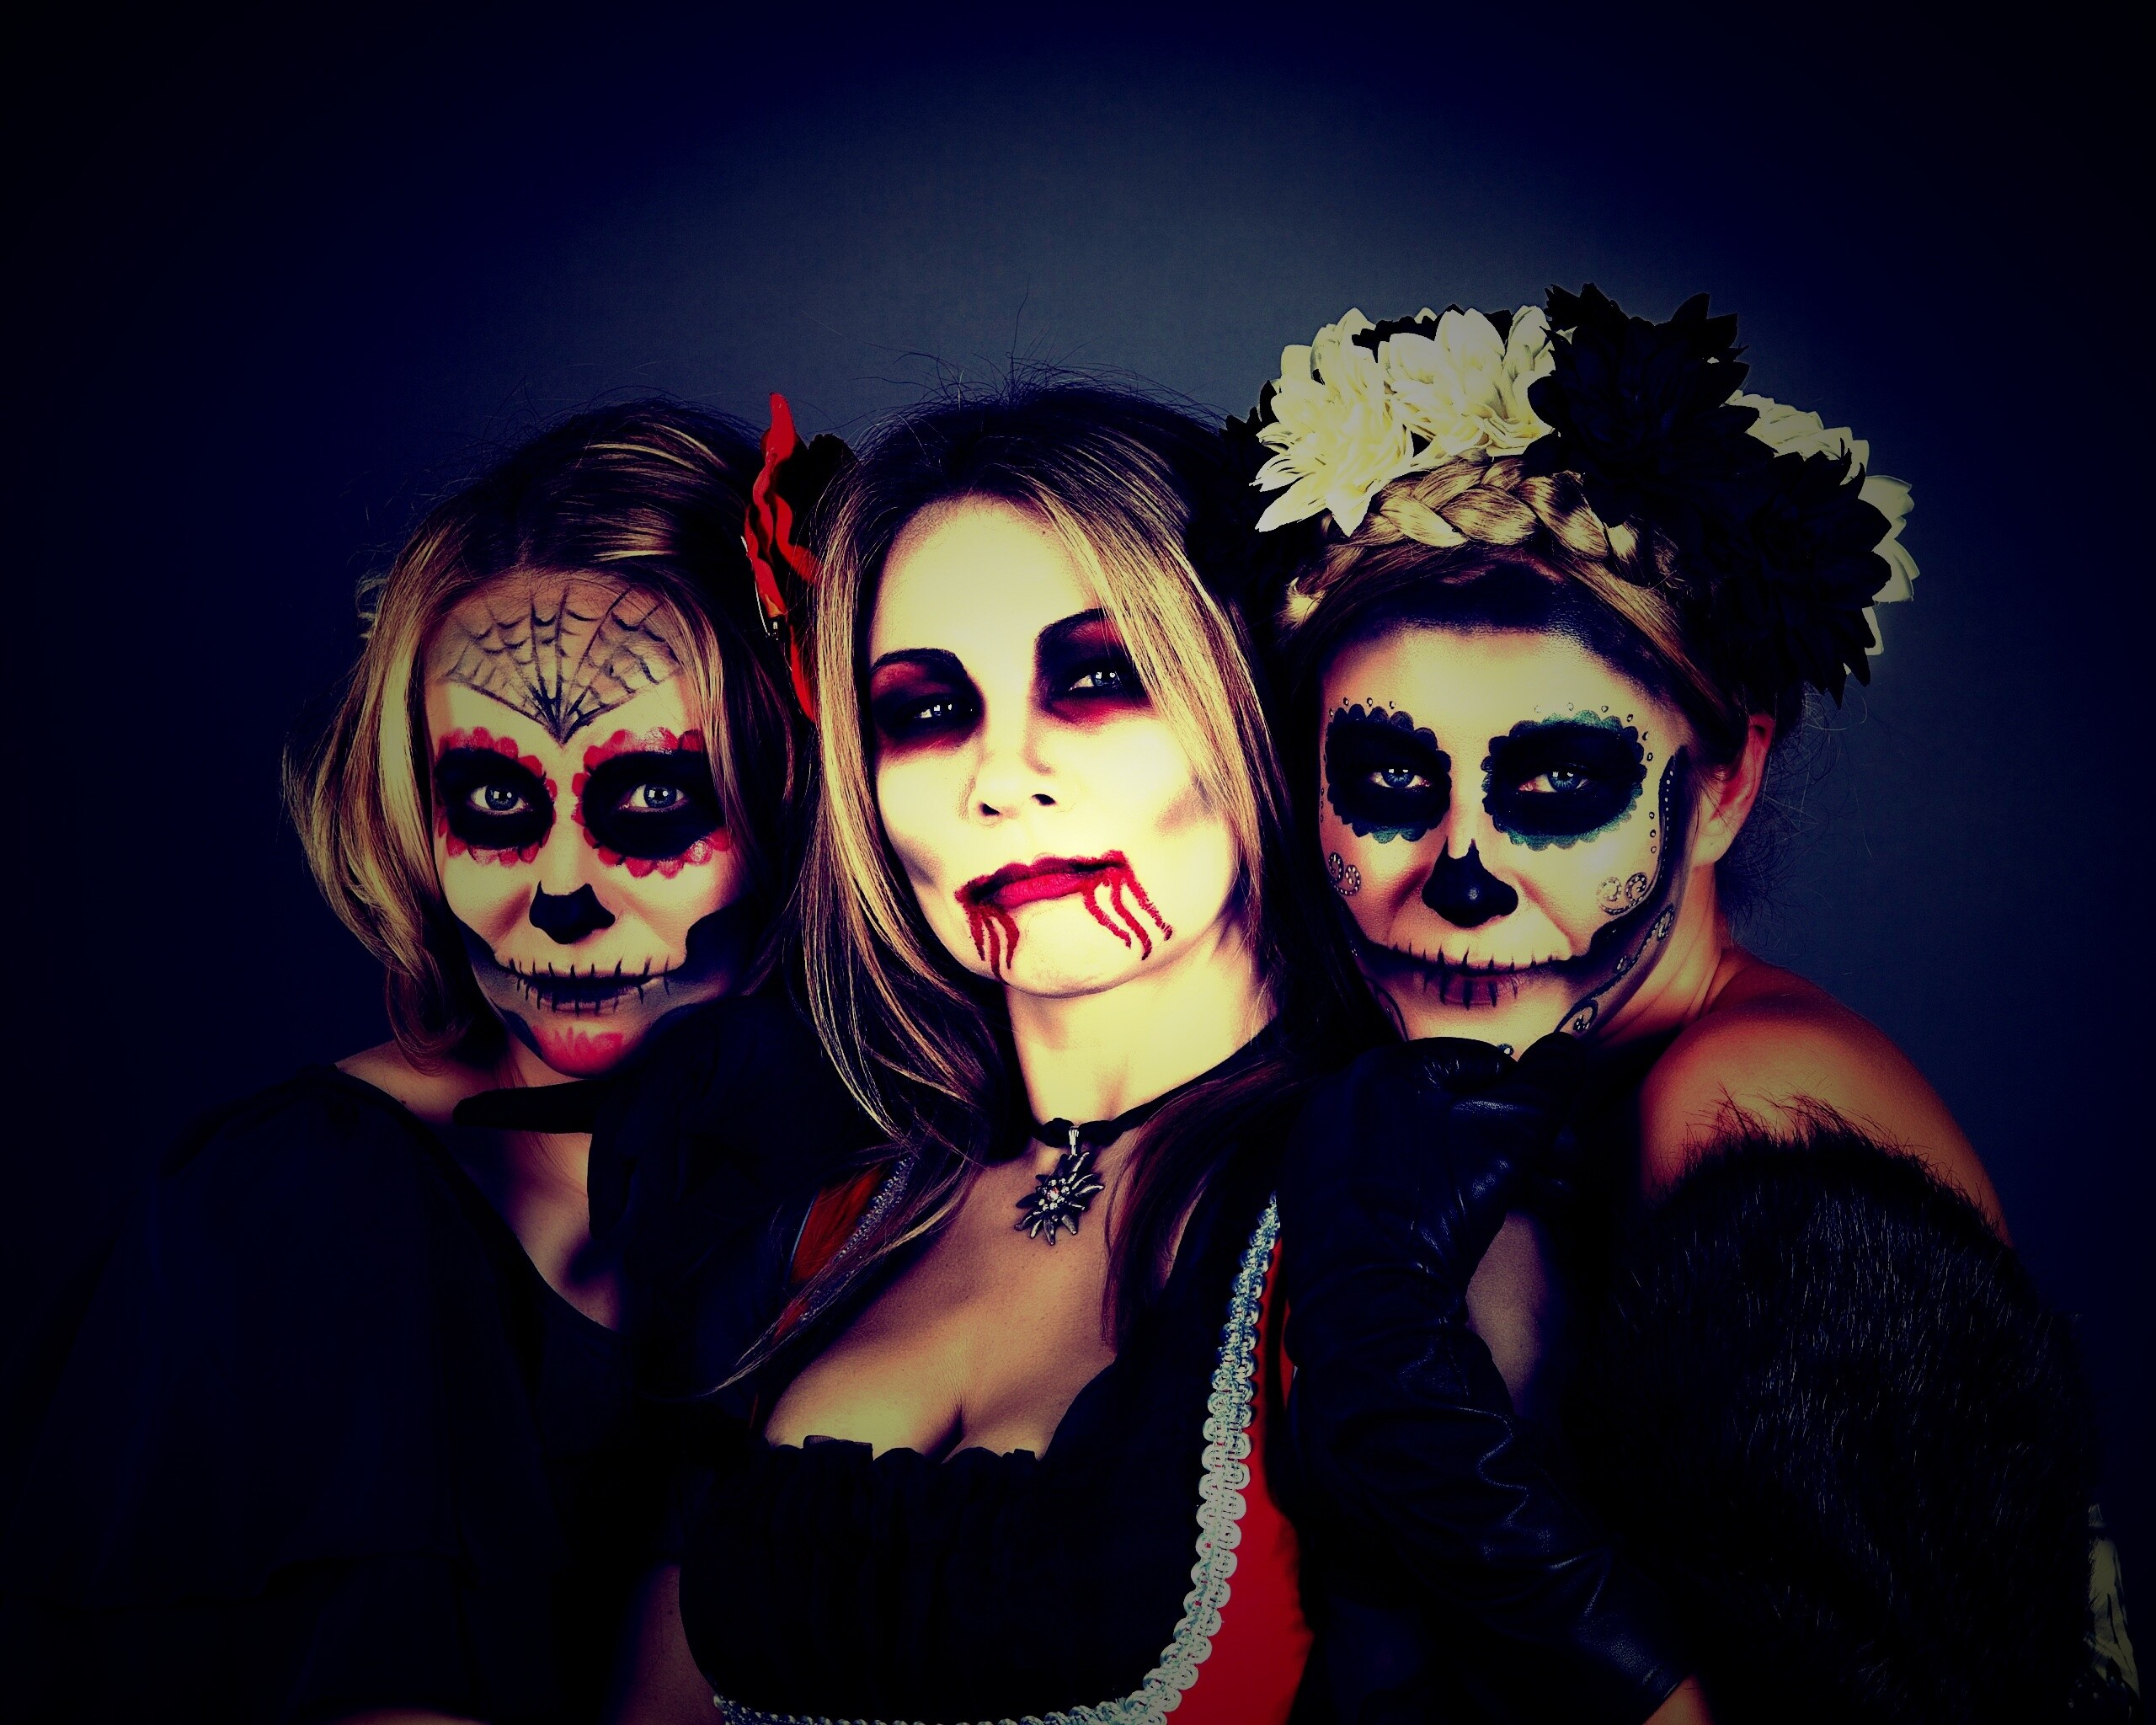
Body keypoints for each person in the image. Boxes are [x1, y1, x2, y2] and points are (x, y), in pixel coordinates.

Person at [1241, 287, 2116, 1721]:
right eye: (1392, 781)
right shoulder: (1485, 1096)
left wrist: (1407, 1394)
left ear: (1721, 786)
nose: (1462, 877)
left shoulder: (1747, 1117)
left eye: (1555, 785)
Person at [0, 401, 853, 1724]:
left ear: (809, 794)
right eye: (496, 803)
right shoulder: (307, 1207)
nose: (559, 896)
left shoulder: (912, 1175)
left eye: (651, 802)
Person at [613, 381, 1444, 1725]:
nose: (1001, 779)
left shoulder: (1388, 1226)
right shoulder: (810, 1219)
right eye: (925, 711)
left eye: (1098, 681)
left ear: (1250, 703)